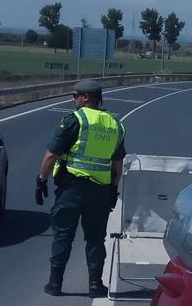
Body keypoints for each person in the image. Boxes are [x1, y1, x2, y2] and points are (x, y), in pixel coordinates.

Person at [35, 80, 126, 298]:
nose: (73, 98)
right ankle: (95, 286)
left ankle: (55, 284)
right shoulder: (115, 124)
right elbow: (118, 164)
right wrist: (113, 189)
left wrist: (41, 180)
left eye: (75, 95)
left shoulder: (75, 120)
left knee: (63, 236)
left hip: (72, 190)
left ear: (85, 98)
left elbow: (51, 154)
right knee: (95, 239)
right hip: (101, 191)